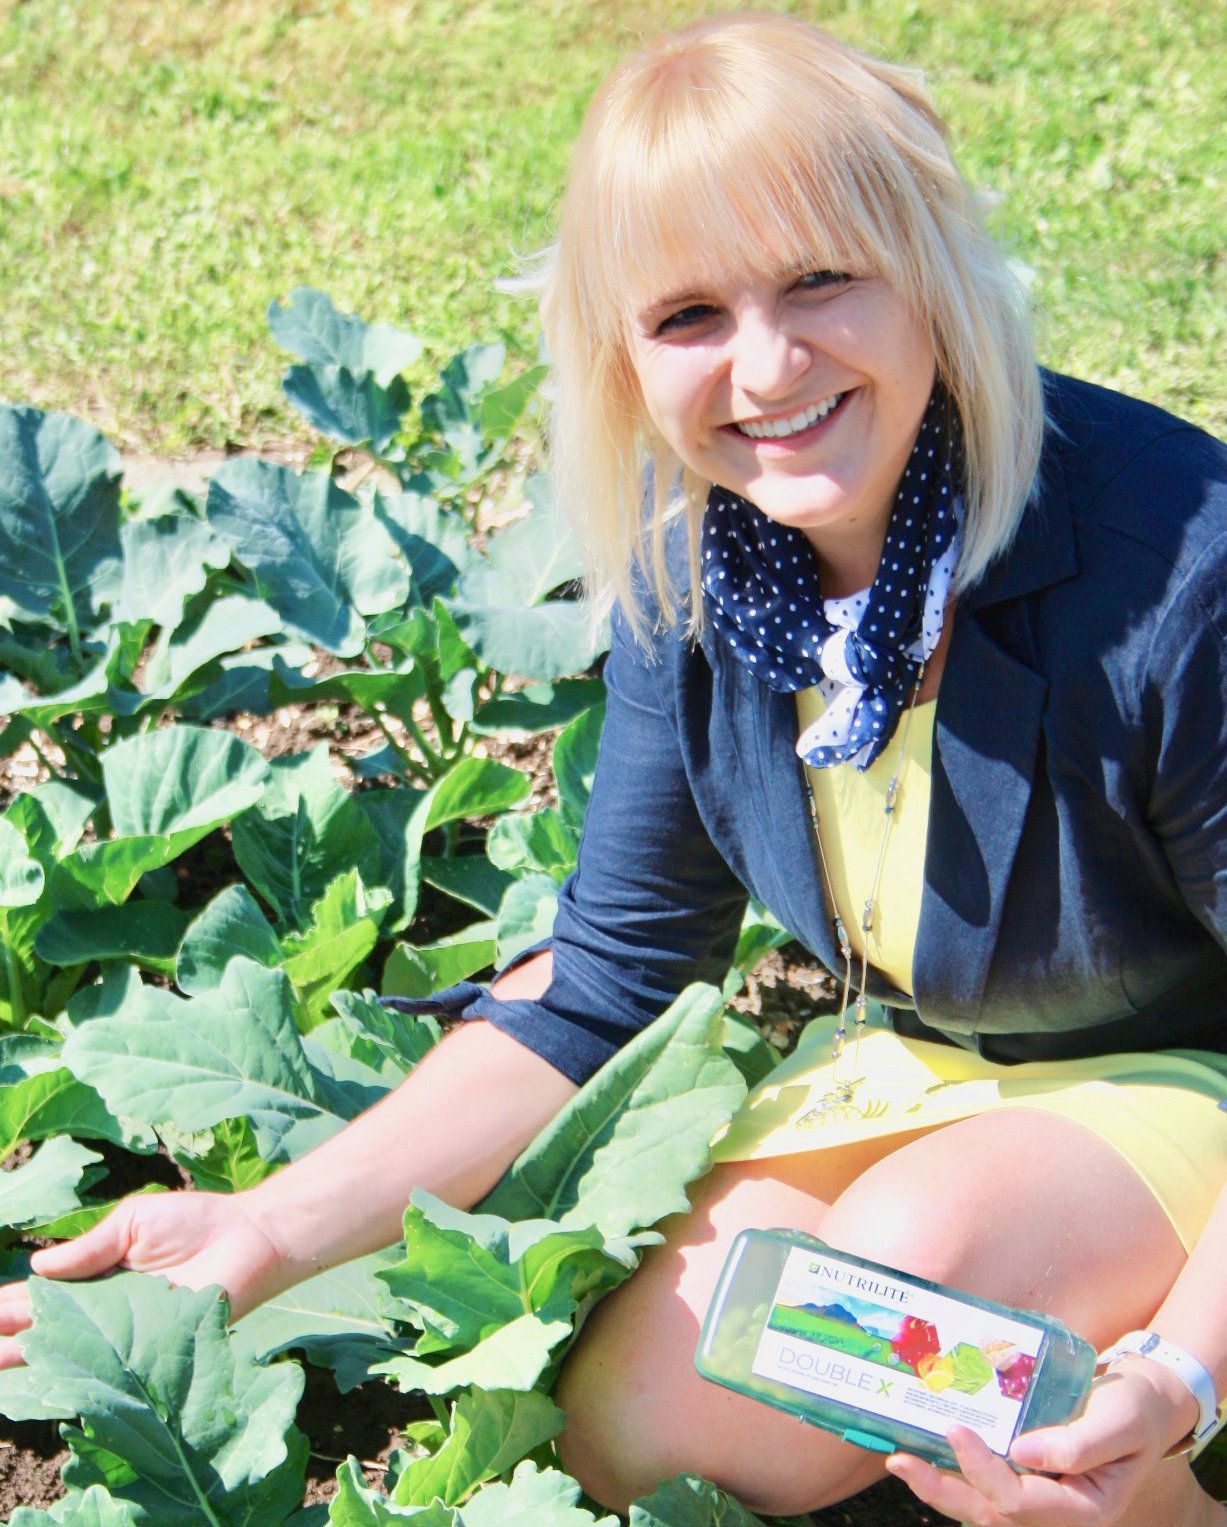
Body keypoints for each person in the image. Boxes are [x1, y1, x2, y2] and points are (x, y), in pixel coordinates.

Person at [2, 13, 1225, 1525]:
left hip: (1192, 1069)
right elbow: (609, 978)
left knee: (912, 1347)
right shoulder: (701, 564)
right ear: (621, 351)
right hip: (932, 1060)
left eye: (822, 279)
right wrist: (265, 1229)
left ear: (932, 269)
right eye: (689, 315)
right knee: (643, 1430)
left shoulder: (1179, 573)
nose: (767, 368)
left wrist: (1184, 1367)